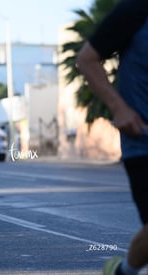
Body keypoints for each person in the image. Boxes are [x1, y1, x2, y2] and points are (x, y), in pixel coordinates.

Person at [76, 0, 148, 274]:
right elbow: (86, 59)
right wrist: (120, 108)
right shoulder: (137, 10)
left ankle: (125, 271)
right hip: (142, 139)